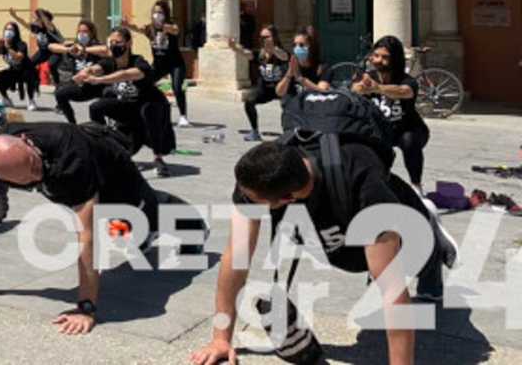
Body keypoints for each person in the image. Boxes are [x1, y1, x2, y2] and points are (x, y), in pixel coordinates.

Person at [188, 141, 457, 365]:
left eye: (254, 201)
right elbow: (236, 256)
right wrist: (221, 339)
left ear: (286, 199)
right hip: (337, 237)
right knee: (354, 259)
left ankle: (429, 220)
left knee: (409, 260)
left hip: (403, 222)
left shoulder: (362, 182)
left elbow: (393, 290)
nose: (245, 201)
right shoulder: (263, 175)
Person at [0, 122, 198, 335]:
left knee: (140, 212)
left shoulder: (70, 159)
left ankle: (191, 221)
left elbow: (86, 236)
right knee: (126, 232)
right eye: (27, 180)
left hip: (112, 168)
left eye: (36, 168)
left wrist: (86, 307)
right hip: (78, 180)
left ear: (27, 143)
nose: (37, 178)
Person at [82, 27, 175, 177]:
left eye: (118, 42)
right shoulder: (110, 62)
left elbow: (125, 74)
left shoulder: (139, 61)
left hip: (150, 109)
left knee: (148, 111)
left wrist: (100, 80)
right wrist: (85, 73)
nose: (114, 45)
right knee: (96, 107)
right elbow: (96, 68)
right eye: (111, 42)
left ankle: (158, 158)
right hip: (128, 110)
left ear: (128, 43)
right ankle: (104, 147)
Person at [352, 35, 429, 194]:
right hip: (380, 131)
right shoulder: (368, 77)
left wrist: (377, 89)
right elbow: (354, 90)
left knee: (409, 141)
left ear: (395, 59)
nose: (379, 60)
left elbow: (404, 92)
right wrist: (360, 87)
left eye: (385, 57)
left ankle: (416, 185)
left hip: (408, 129)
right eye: (376, 55)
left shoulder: (407, 80)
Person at [123, 0, 189, 127]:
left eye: (160, 12)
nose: (157, 15)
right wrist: (127, 25)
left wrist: (165, 27)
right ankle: (141, 111)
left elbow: (176, 30)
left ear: (165, 14)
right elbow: (138, 29)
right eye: (155, 12)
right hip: (159, 65)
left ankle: (183, 116)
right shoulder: (150, 29)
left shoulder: (170, 26)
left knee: (177, 87)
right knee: (143, 83)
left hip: (175, 64)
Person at [233, 25, 289, 141]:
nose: (264, 39)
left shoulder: (280, 52)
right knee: (249, 102)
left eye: (267, 37)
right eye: (262, 37)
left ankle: (288, 134)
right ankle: (254, 132)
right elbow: (246, 53)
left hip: (282, 88)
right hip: (265, 89)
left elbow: (284, 57)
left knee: (288, 107)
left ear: (274, 37)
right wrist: (234, 47)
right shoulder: (260, 54)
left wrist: (273, 49)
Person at [47, 20, 105, 124]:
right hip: (81, 86)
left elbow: (105, 50)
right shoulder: (74, 46)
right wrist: (69, 50)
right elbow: (51, 47)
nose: (82, 34)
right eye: (79, 31)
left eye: (85, 31)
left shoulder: (96, 45)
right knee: (60, 93)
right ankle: (72, 124)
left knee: (100, 104)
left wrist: (84, 50)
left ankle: (103, 126)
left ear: (92, 33)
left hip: (97, 85)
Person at [0, 21, 37, 110]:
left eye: (11, 30)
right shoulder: (2, 44)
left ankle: (31, 100)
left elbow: (19, 57)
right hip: (14, 71)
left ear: (15, 32)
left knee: (29, 75)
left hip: (26, 70)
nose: (8, 31)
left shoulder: (21, 44)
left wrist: (8, 47)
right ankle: (6, 99)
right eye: (6, 29)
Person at [8, 7, 64, 86]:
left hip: (55, 51)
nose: (34, 20)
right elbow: (24, 23)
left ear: (42, 19)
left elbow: (47, 22)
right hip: (43, 52)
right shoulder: (36, 28)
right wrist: (15, 16)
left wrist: (41, 13)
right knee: (29, 64)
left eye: (37, 19)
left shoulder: (50, 27)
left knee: (51, 65)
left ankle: (57, 83)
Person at [276, 28, 330, 99]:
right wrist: (289, 74)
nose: (297, 48)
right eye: (294, 45)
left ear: (312, 47)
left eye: (301, 45)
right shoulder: (290, 65)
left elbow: (322, 91)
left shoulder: (323, 67)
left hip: (313, 106)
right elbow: (279, 92)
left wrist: (301, 79)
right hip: (292, 106)